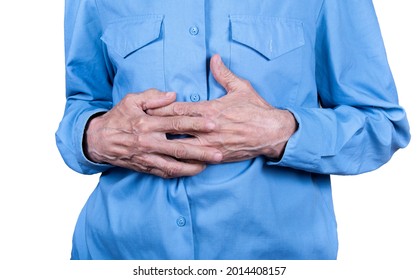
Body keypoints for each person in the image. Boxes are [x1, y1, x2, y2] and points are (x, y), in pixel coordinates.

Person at [56, 0, 410, 260]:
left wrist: (280, 131)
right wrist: (94, 136)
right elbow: (80, 105)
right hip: (115, 253)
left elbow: (383, 124)